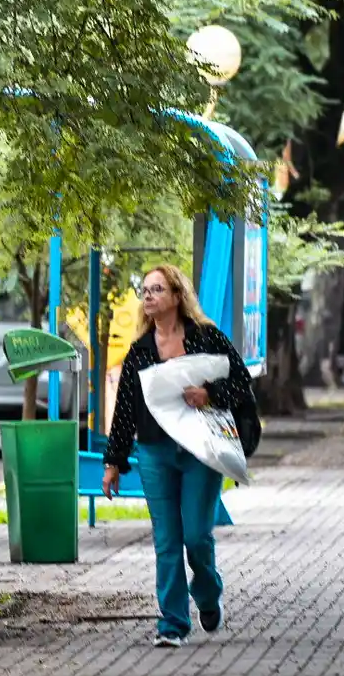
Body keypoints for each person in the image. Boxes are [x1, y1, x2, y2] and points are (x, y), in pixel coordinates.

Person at [101, 263, 256, 647]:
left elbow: (241, 383)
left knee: (197, 537)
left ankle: (207, 592)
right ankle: (172, 623)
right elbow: (125, 410)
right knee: (166, 540)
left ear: (176, 296)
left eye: (156, 289)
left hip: (200, 450)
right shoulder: (139, 352)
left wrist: (210, 395)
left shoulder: (207, 338)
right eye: (145, 290)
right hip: (154, 453)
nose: (148, 296)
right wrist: (113, 462)